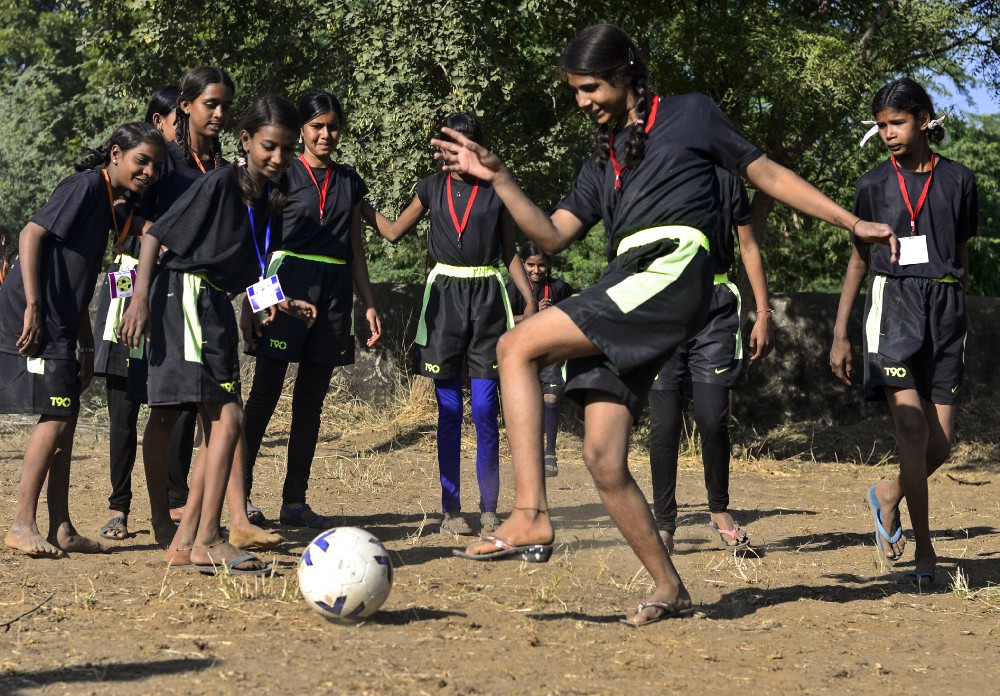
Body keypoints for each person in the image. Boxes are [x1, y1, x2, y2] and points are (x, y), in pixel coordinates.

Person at [436, 24, 896, 626]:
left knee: (516, 346)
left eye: (591, 87)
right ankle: (669, 586)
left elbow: (767, 174)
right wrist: (498, 178)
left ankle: (530, 512)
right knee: (603, 456)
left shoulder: (691, 114)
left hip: (674, 266)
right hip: (626, 277)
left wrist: (848, 222)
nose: (583, 102)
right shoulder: (602, 158)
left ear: (626, 75)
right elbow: (549, 236)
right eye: (576, 91)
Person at [119, 95, 316, 573]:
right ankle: (208, 537)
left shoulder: (267, 196)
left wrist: (266, 303)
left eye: (288, 150)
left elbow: (247, 263)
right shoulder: (221, 181)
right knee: (226, 418)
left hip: (213, 305)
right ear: (246, 140)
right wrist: (140, 299)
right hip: (186, 296)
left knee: (221, 422)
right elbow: (155, 235)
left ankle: (186, 542)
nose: (278, 158)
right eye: (270, 146)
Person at [830, 77, 978, 590]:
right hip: (892, 306)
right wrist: (840, 333)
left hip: (945, 310)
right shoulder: (873, 184)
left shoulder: (960, 180)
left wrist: (955, 305)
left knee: (940, 446)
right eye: (882, 126)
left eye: (896, 123)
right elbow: (857, 260)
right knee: (913, 433)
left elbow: (960, 252)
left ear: (922, 119)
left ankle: (887, 494)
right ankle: (926, 551)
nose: (888, 133)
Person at [362, 113, 536, 536]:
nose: (454, 154)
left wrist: (529, 299)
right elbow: (391, 233)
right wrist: (357, 202)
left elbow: (510, 252)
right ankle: (451, 510)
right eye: (447, 146)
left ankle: (491, 507)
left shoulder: (496, 192)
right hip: (443, 303)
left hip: (488, 301)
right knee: (449, 410)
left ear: (477, 148)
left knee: (483, 409)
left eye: (463, 146)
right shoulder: (430, 187)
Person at [1, 122, 166, 557]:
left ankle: (61, 527)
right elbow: (30, 235)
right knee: (55, 416)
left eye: (156, 165)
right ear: (116, 154)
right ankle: (21, 524)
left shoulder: (111, 203)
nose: (148, 171)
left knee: (68, 417)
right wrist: (34, 306)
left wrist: (85, 340)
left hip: (62, 318)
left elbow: (76, 274)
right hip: (36, 313)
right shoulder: (86, 185)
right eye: (140, 160)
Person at [242, 90, 382, 528]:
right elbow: (259, 247)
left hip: (336, 294)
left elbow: (356, 248)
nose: (326, 134)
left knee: (311, 402)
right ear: (301, 129)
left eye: (333, 125)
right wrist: (256, 303)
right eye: (317, 126)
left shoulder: (350, 181)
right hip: (285, 290)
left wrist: (369, 301)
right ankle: (238, 497)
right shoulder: (280, 176)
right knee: (264, 395)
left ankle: (294, 502)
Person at [648, 167, 773, 553]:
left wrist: (763, 313)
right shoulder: (653, 174)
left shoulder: (727, 181)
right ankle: (664, 523)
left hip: (716, 307)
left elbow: (749, 247)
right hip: (662, 303)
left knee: (711, 417)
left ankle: (719, 510)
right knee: (664, 422)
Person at [93, 85, 181, 541]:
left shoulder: (187, 174)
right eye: (174, 120)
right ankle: (119, 507)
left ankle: (174, 502)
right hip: (125, 288)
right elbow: (122, 224)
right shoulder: (127, 178)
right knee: (123, 408)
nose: (179, 130)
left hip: (171, 296)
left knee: (178, 408)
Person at [506, 242, 574, 476]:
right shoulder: (513, 289)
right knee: (527, 402)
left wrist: (553, 315)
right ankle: (528, 453)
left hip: (551, 351)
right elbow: (503, 321)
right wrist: (531, 316)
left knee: (551, 396)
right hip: (522, 351)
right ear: (522, 265)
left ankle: (550, 453)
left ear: (549, 265)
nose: (536, 270)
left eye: (541, 265)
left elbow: (572, 318)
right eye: (531, 265)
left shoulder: (560, 288)